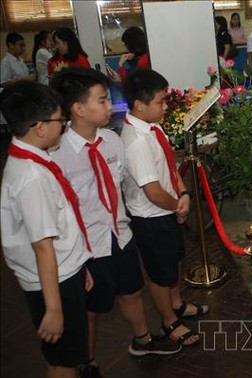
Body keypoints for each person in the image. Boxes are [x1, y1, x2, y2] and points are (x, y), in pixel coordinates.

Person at [49, 68, 181, 378]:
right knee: (90, 310)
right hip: (86, 245)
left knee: (131, 290)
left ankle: (143, 339)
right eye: (103, 100)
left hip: (119, 233)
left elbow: (122, 183)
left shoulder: (111, 141)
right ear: (79, 109)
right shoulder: (59, 153)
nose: (111, 106)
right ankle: (88, 361)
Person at [0, 81, 92, 378]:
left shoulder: (33, 160)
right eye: (60, 121)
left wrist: (79, 265)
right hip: (53, 282)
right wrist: (54, 309)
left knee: (66, 356)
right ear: (39, 127)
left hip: (63, 272)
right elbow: (42, 245)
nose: (63, 127)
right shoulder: (32, 177)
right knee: (63, 363)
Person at [120, 68, 208, 347]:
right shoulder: (135, 141)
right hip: (152, 217)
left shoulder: (153, 127)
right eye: (160, 101)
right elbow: (153, 192)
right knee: (160, 273)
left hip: (167, 209)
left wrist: (182, 191)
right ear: (139, 104)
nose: (165, 106)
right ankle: (169, 321)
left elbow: (168, 168)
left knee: (176, 261)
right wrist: (179, 207)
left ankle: (177, 303)